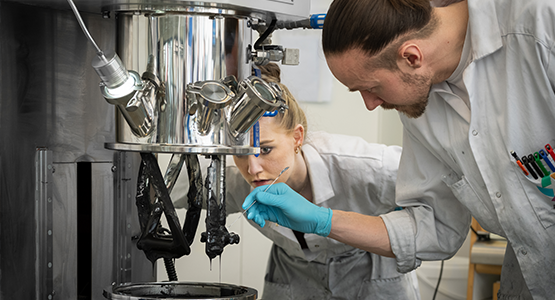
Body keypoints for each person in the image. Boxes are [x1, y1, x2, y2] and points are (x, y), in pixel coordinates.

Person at [243, 0, 555, 299]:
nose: (370, 104)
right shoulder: (421, 108)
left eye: (371, 87)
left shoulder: (540, 25)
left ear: (412, 57)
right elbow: (433, 225)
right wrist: (323, 220)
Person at [174, 63, 421, 299]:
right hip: (293, 272)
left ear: (297, 138)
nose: (253, 168)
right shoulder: (237, 181)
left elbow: (438, 192)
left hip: (370, 269)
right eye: (240, 153)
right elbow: (166, 190)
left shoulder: (364, 166)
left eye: (266, 150)